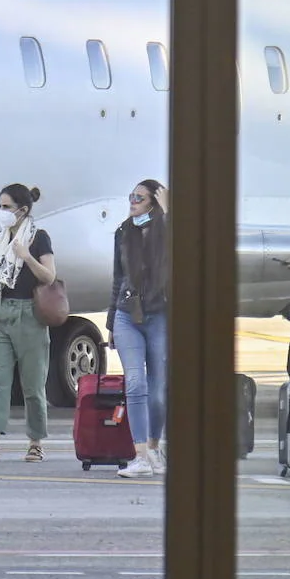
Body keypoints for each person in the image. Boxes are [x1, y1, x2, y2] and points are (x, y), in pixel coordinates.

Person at [0, 184, 57, 463]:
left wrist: (26, 256)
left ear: (22, 210)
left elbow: (49, 276)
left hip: (29, 314)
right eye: (0, 207)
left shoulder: (38, 238)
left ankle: (36, 441)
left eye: (6, 207)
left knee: (32, 383)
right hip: (0, 312)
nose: (1, 212)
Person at [107, 180, 171, 479]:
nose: (132, 202)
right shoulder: (124, 232)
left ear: (154, 204)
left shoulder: (166, 232)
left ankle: (155, 447)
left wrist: (169, 217)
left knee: (158, 392)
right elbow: (118, 279)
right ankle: (141, 454)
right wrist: (110, 322)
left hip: (160, 316)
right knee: (135, 383)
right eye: (131, 196)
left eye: (139, 198)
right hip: (127, 314)